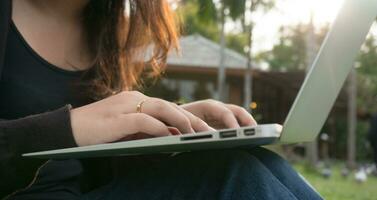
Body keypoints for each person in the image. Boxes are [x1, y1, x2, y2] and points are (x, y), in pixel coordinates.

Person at [0, 0, 322, 199]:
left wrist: (158, 131)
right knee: (235, 177)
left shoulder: (105, 30)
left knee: (256, 161)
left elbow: (91, 171)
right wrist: (68, 127)